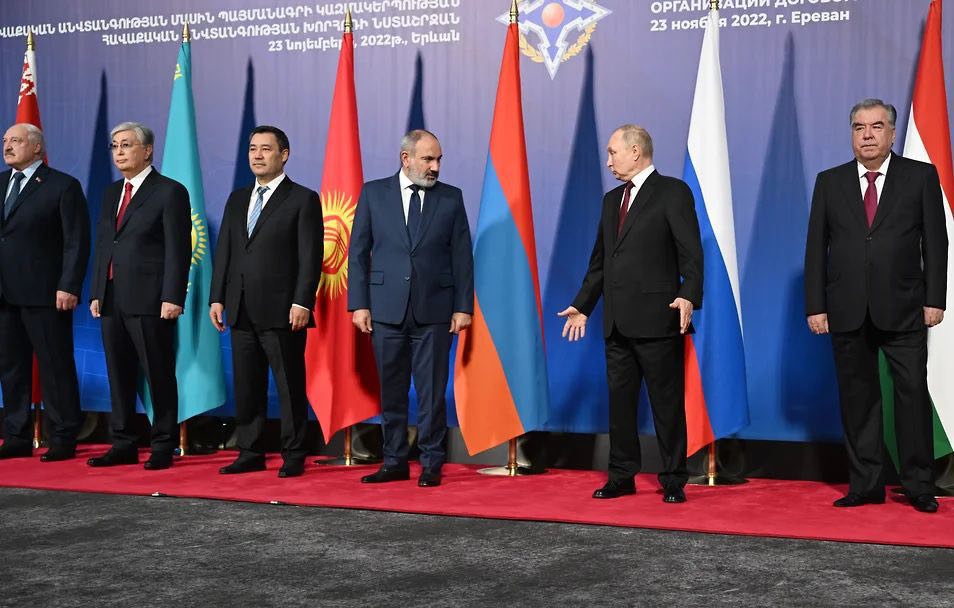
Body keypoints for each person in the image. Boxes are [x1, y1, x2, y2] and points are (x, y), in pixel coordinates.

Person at [804, 98, 948, 514]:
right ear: (851, 134)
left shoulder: (920, 176)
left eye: (876, 126)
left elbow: (936, 242)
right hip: (846, 308)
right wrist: (816, 305)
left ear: (892, 133)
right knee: (858, 400)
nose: (867, 135)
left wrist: (934, 298)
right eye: (859, 127)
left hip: (905, 307)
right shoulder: (829, 181)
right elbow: (816, 248)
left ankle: (919, 485)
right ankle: (865, 485)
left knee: (911, 396)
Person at [558, 124, 703, 503]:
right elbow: (601, 262)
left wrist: (688, 295)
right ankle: (621, 475)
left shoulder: (672, 192)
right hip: (617, 323)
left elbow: (691, 253)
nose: (608, 161)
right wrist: (583, 304)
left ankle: (673, 479)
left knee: (666, 405)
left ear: (635, 151)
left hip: (659, 320)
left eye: (613, 152)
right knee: (620, 406)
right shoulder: (611, 201)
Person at [348, 129, 473, 488]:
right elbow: (358, 253)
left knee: (432, 393)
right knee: (392, 390)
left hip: (434, 311)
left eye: (438, 160)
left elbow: (462, 257)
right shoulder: (374, 193)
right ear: (406, 159)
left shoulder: (451, 198)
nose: (435, 167)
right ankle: (394, 461)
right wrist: (359, 304)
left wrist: (463, 307)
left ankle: (432, 462)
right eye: (428, 159)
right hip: (385, 310)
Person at [210, 125, 323, 478]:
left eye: (265, 149)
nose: (257, 155)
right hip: (240, 306)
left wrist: (302, 302)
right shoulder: (237, 198)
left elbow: (310, 257)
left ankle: (294, 453)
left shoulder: (302, 198)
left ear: (283, 155)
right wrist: (217, 297)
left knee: (289, 385)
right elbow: (225, 251)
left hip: (283, 310)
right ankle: (250, 451)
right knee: (247, 385)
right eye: (252, 148)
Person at [87, 122, 191, 470]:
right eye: (115, 145)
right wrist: (98, 290)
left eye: (126, 145)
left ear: (147, 150)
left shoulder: (169, 191)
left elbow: (178, 249)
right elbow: (105, 244)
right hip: (112, 297)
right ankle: (123, 442)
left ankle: (163, 444)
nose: (119, 152)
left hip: (151, 299)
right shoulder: (111, 192)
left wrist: (172, 296)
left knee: (158, 373)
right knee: (118, 374)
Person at [0, 123, 89, 461]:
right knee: (11, 368)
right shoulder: (0, 182)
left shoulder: (62, 185)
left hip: (46, 294)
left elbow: (76, 241)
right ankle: (16, 435)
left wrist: (69, 285)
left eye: (16, 141)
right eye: (5, 141)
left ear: (36, 147)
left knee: (55, 366)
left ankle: (63, 436)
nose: (8, 146)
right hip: (4, 295)